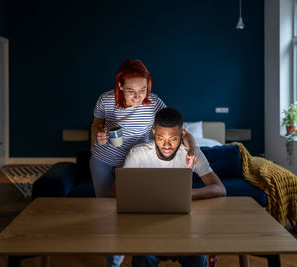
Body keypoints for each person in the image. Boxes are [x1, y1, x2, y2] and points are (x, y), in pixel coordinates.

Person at [90, 60, 198, 267]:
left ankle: (137, 250)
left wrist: (192, 149)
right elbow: (96, 125)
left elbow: (176, 129)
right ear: (120, 86)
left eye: (143, 89)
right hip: (103, 161)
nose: (138, 97)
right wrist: (99, 136)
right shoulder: (105, 100)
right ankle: (113, 260)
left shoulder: (154, 102)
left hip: (134, 162)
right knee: (107, 212)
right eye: (131, 91)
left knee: (133, 210)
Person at [123, 107, 227, 267]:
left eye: (173, 138)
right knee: (142, 259)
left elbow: (220, 189)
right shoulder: (138, 154)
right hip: (148, 227)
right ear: (153, 133)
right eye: (160, 138)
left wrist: (189, 193)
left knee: (198, 261)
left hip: (185, 228)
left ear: (182, 134)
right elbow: (121, 191)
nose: (166, 145)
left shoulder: (191, 153)